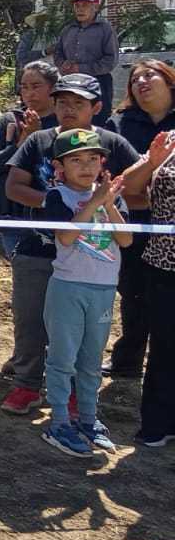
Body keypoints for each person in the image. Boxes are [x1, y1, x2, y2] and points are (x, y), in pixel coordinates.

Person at [1, 74, 140, 416]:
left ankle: (78, 392)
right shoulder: (39, 140)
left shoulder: (111, 143)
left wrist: (103, 201)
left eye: (78, 103)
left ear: (96, 107)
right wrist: (58, 206)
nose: (68, 109)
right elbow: (14, 187)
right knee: (30, 319)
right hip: (39, 249)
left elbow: (133, 184)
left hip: (92, 257)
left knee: (83, 330)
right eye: (62, 102)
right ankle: (27, 385)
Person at [37, 130, 132, 457]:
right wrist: (94, 202)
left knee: (91, 358)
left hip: (104, 289)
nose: (86, 165)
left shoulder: (112, 196)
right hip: (68, 287)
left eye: (93, 158)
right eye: (76, 159)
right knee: (63, 356)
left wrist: (109, 203)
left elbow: (126, 241)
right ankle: (59, 421)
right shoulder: (57, 196)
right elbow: (65, 237)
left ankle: (89, 419)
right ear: (59, 166)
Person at [103, 59, 175, 379]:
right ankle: (128, 361)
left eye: (150, 75)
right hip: (129, 219)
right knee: (132, 292)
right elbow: (115, 179)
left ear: (169, 81)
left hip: (168, 230)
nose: (141, 82)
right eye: (134, 79)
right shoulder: (118, 123)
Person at [120, 129, 175, 447]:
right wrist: (152, 161)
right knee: (165, 347)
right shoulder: (169, 141)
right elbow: (128, 188)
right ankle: (158, 423)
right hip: (163, 265)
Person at [0, 61, 60, 261]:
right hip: (15, 210)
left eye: (36, 86)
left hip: (55, 212)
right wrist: (21, 143)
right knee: (23, 270)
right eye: (24, 87)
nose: (29, 93)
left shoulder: (64, 121)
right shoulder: (11, 119)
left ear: (53, 88)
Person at [52, 0, 118, 124]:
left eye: (85, 5)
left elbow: (110, 61)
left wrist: (81, 68)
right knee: (71, 121)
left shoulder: (105, 29)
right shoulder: (68, 29)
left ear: (95, 7)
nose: (80, 9)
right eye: (77, 6)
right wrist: (62, 64)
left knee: (98, 123)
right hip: (71, 83)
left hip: (98, 83)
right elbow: (57, 52)